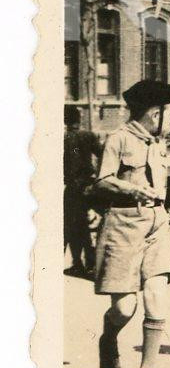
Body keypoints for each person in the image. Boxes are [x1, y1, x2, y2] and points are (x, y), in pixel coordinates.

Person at [93, 79, 170, 368]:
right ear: (155, 114)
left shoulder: (157, 144)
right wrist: (133, 188)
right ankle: (108, 337)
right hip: (124, 228)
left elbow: (160, 183)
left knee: (156, 297)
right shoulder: (118, 140)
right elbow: (103, 179)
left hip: (156, 228)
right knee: (125, 309)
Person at [63, 105, 101, 276]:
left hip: (73, 187)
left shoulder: (65, 138)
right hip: (89, 185)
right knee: (83, 223)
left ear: (65, 121)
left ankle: (79, 263)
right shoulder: (88, 135)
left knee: (73, 225)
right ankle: (90, 262)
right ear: (79, 119)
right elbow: (103, 154)